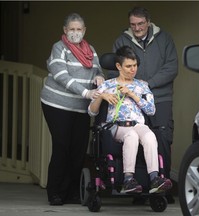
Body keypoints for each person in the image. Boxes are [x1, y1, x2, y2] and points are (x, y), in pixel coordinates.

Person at [108, 6, 178, 203]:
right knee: (134, 137)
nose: (137, 28)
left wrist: (148, 84)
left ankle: (161, 188)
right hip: (131, 100)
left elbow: (172, 67)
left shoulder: (165, 39)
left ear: (148, 22)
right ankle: (139, 187)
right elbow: (115, 70)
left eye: (140, 24)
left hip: (160, 97)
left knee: (162, 138)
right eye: (133, 24)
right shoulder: (122, 40)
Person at [88, 45, 172, 194]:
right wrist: (101, 96)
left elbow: (151, 110)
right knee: (131, 135)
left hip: (138, 125)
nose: (133, 69)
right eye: (128, 66)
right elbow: (91, 112)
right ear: (119, 66)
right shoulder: (107, 85)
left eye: (135, 66)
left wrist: (133, 95)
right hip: (117, 126)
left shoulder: (142, 86)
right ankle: (128, 180)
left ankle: (154, 179)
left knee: (150, 135)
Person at [40, 13, 104, 206]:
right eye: (72, 29)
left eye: (79, 29)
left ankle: (72, 192)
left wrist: (99, 77)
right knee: (62, 147)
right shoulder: (59, 48)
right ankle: (55, 192)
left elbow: (97, 68)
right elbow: (61, 75)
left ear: (84, 31)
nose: (75, 33)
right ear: (65, 30)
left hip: (81, 109)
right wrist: (86, 92)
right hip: (57, 105)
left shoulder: (90, 50)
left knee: (78, 150)